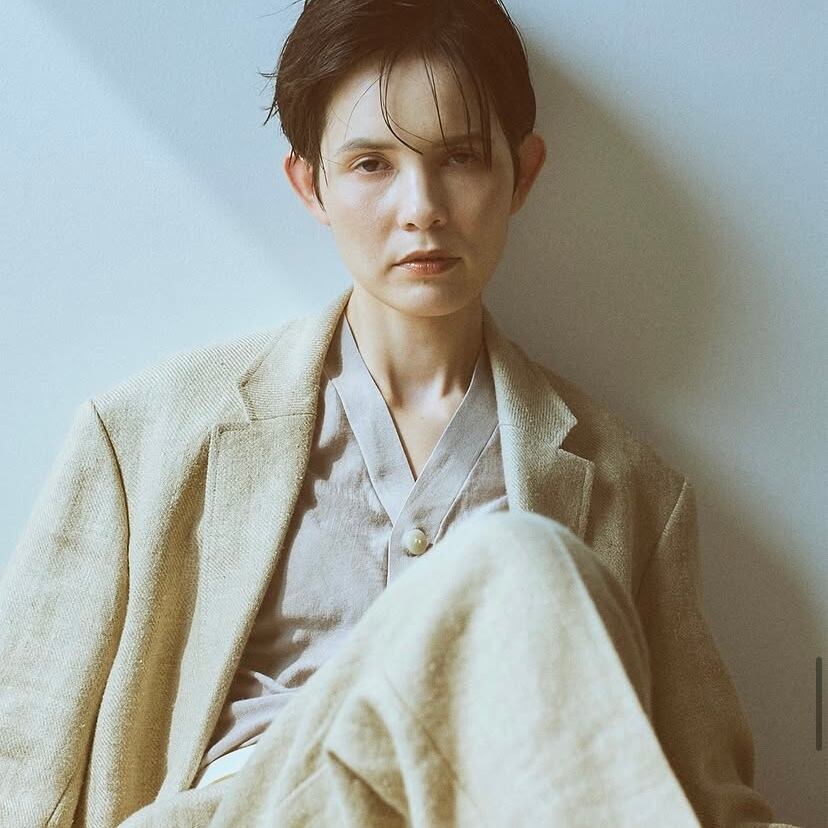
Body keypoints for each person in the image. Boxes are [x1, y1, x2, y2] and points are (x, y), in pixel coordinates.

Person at [0, 1, 798, 826]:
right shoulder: (142, 438)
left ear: (522, 174)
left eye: (460, 158)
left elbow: (699, 799)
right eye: (372, 164)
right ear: (310, 184)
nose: (422, 206)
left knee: (526, 568)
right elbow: (17, 759)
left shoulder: (632, 491)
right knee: (520, 556)